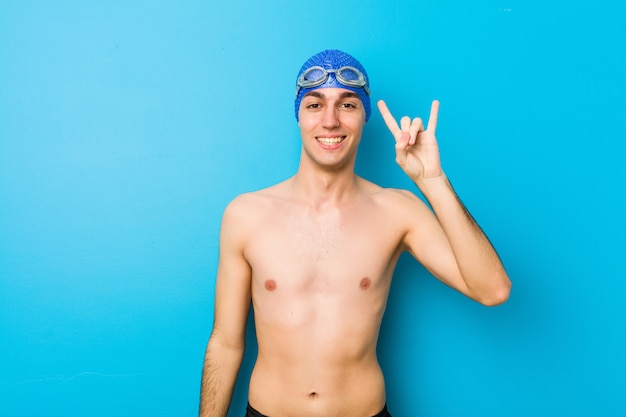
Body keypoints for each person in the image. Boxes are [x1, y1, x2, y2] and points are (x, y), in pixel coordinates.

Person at [199, 49, 511, 417]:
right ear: (297, 115)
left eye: (347, 105)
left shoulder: (397, 210)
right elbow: (225, 343)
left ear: (364, 117)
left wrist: (433, 181)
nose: (330, 121)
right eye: (315, 105)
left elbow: (492, 290)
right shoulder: (246, 215)